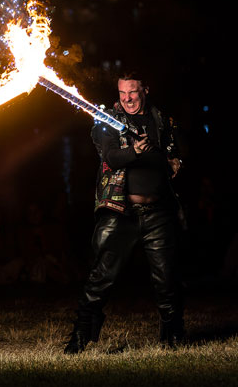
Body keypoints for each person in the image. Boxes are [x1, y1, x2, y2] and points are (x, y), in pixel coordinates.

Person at [64, 72, 185, 353]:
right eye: (122, 93)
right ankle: (80, 338)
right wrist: (135, 151)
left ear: (145, 90)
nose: (127, 98)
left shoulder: (162, 121)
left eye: (132, 92)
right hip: (120, 211)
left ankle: (173, 337)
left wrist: (171, 159)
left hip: (158, 212)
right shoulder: (108, 120)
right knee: (100, 279)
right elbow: (111, 157)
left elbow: (173, 159)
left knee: (167, 279)